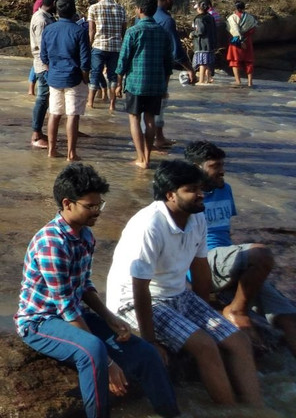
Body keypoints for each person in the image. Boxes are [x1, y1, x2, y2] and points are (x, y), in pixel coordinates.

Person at [16, 163, 180, 418]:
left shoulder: (85, 236)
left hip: (72, 314)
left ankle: (172, 413)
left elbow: (84, 286)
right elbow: (66, 306)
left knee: (146, 353)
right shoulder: (52, 243)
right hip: (40, 322)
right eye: (90, 206)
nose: (97, 212)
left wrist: (110, 318)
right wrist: (110, 364)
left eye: (99, 205)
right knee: (93, 351)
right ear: (68, 203)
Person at [106, 160, 263, 408]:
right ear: (170, 195)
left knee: (238, 341)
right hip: (136, 301)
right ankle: (232, 412)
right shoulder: (150, 224)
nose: (201, 194)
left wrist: (205, 312)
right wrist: (149, 342)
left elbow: (200, 268)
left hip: (178, 294)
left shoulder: (196, 217)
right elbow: (139, 285)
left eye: (201, 188)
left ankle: (257, 410)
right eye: (192, 189)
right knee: (205, 346)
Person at [185, 140, 296, 355]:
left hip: (228, 261)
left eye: (222, 165)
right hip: (205, 262)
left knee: (289, 317)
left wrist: (243, 266)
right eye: (215, 166)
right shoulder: (187, 199)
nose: (222, 171)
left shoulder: (226, 190)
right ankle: (236, 309)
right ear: (197, 168)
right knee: (261, 254)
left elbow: (224, 233)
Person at [115, 0, 172, 169]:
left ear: (139, 10)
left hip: (135, 84)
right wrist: (164, 86)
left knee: (134, 119)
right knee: (150, 121)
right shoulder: (163, 32)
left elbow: (123, 60)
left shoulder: (133, 31)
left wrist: (118, 83)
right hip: (156, 84)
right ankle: (147, 156)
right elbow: (168, 62)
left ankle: (141, 158)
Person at [40, 0, 91, 162]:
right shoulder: (79, 31)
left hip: (54, 77)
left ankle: (52, 150)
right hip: (74, 77)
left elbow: (44, 57)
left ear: (57, 11)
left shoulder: (49, 29)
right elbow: (85, 60)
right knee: (72, 115)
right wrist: (85, 78)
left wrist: (52, 70)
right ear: (74, 12)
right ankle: (71, 154)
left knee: (54, 114)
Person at [151, 0, 195, 148]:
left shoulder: (142, 16)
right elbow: (176, 51)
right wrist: (190, 69)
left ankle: (151, 139)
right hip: (161, 67)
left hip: (142, 67)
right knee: (160, 102)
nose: (173, 2)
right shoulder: (167, 20)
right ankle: (158, 138)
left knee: (146, 105)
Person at [29, 0, 62, 150]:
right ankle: (36, 134)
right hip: (44, 66)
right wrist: (50, 67)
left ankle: (40, 132)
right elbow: (44, 49)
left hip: (47, 65)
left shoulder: (47, 17)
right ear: (54, 3)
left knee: (46, 99)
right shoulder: (42, 20)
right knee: (43, 99)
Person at [86, 0, 125, 112]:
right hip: (115, 47)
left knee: (95, 74)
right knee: (113, 76)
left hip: (99, 46)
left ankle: (90, 103)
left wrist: (88, 45)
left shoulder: (93, 8)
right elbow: (123, 30)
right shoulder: (120, 8)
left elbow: (91, 30)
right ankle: (112, 105)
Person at [225, 2, 257, 87]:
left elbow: (233, 29)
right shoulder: (250, 18)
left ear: (235, 8)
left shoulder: (232, 17)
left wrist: (240, 40)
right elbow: (253, 29)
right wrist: (244, 38)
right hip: (247, 41)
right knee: (248, 60)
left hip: (235, 41)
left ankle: (238, 81)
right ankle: (250, 82)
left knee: (235, 61)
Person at [191, 0, 218, 85]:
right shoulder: (211, 17)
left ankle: (201, 80)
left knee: (202, 62)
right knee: (208, 62)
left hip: (202, 44)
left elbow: (200, 31)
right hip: (210, 43)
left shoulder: (199, 18)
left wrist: (192, 33)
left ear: (199, 8)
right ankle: (209, 78)